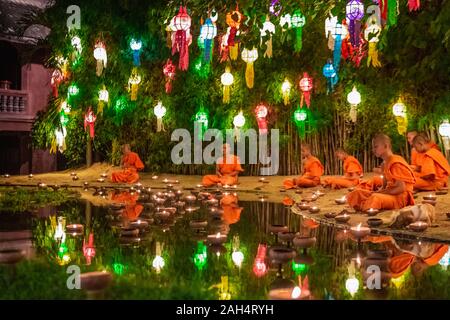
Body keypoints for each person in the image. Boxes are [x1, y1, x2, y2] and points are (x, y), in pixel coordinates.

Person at [347, 134, 416, 212]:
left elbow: (401, 188)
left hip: (400, 197)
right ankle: (366, 205)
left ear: (386, 146)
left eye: (376, 147)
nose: (373, 150)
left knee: (375, 198)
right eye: (373, 147)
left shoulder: (395, 163)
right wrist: (378, 191)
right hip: (388, 194)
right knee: (356, 193)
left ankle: (366, 206)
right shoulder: (384, 164)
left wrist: (381, 193)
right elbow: (384, 186)